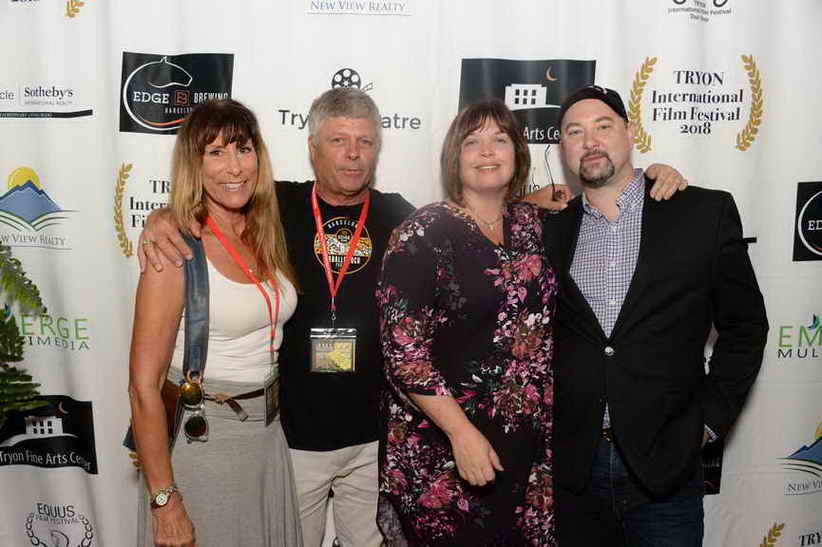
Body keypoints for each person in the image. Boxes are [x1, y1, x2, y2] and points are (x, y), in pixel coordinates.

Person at [137, 88, 686, 546]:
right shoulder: (273, 206)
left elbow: (497, 216)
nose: (352, 155)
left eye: (365, 142)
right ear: (312, 147)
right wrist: (166, 218)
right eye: (338, 141)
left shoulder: (403, 214)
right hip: (292, 440)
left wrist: (646, 178)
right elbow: (216, 201)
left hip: (373, 441)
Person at [545, 86, 769, 546]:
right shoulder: (548, 229)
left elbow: (746, 328)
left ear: (630, 133)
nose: (590, 141)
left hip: (666, 472)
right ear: (562, 148)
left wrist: (707, 423)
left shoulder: (701, 212)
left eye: (603, 126)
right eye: (574, 132)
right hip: (575, 473)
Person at [376, 100, 558, 545]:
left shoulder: (534, 225)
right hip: (444, 451)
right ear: (454, 158)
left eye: (500, 139)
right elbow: (404, 354)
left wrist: (656, 176)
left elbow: (607, 195)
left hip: (527, 453)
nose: (487, 151)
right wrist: (461, 434)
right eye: (473, 141)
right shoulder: (423, 232)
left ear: (518, 152)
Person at [128, 99, 303, 546]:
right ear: (195, 165)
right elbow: (144, 387)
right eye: (216, 152)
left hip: (266, 436)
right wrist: (165, 501)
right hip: (205, 439)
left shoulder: (264, 228)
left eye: (243, 149)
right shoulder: (174, 249)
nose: (234, 167)